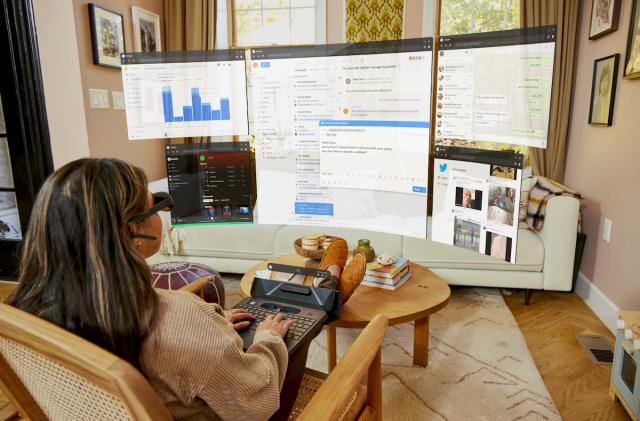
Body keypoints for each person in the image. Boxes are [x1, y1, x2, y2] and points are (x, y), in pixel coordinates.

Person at [6, 158, 300, 420]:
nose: (163, 213)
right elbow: (257, 406)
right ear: (133, 231)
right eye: (158, 204)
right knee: (297, 341)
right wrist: (268, 339)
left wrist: (209, 334)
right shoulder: (179, 319)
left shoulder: (20, 312)